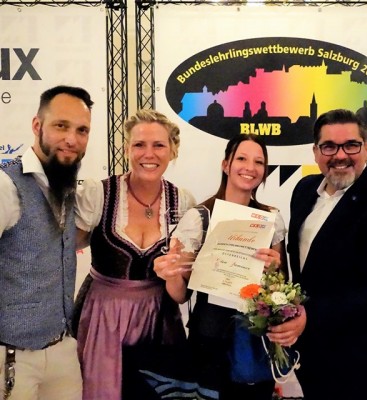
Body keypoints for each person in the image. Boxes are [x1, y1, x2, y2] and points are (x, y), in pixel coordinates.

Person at [275, 109, 367, 400]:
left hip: (361, 359)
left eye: (351, 145)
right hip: (311, 353)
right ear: (315, 152)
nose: (340, 155)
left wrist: (309, 316)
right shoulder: (304, 190)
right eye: (329, 146)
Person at [153, 134, 287, 400]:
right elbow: (181, 294)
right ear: (226, 165)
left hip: (255, 343)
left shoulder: (272, 219)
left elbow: (281, 290)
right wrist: (170, 273)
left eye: (259, 162)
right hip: (209, 341)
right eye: (242, 158)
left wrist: (274, 271)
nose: (250, 167)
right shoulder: (199, 217)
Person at [74, 109, 196, 400]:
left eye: (159, 145)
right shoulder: (99, 194)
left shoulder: (183, 202)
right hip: (103, 315)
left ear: (173, 150)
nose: (148, 154)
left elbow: (182, 294)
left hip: (158, 317)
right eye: (139, 144)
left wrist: (173, 274)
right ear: (127, 148)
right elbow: (62, 250)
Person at [0, 85, 93, 400]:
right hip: (12, 357)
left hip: (63, 349)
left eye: (82, 130)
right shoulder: (5, 185)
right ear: (37, 126)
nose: (72, 139)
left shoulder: (66, 184)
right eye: (61, 126)